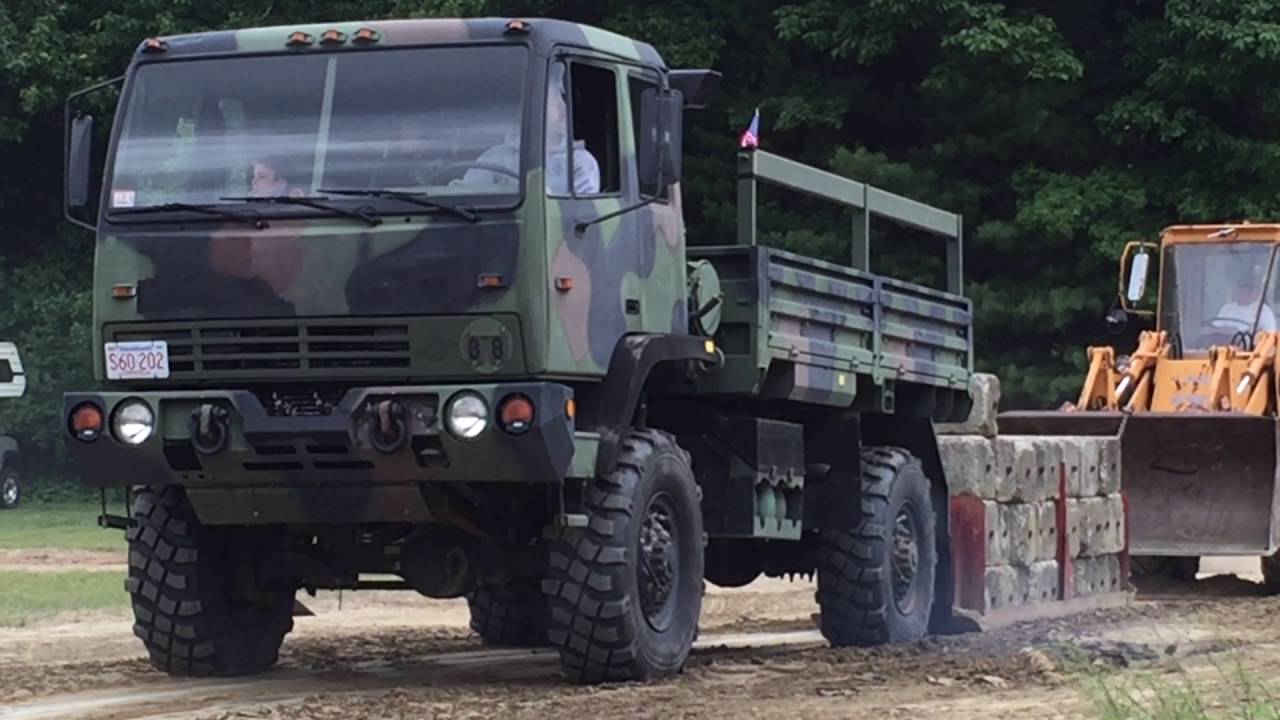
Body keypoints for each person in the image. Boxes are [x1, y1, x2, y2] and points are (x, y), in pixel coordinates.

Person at [460, 66, 599, 195]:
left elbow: (581, 214)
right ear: (531, 107)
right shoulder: (495, 158)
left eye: (563, 99)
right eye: (555, 98)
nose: (563, 107)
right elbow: (466, 195)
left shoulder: (580, 161)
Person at [1213, 265, 1276, 332]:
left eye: (1251, 288)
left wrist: (1236, 331)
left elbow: (1270, 336)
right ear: (1238, 289)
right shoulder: (1227, 309)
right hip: (1224, 342)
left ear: (1257, 292)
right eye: (1244, 286)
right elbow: (1214, 329)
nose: (1247, 291)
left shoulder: (1263, 310)